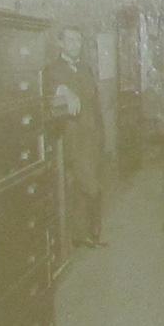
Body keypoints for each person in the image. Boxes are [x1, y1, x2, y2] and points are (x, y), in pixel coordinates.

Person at [46, 25, 108, 248]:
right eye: (70, 40)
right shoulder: (53, 70)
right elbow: (52, 91)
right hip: (73, 140)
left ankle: (86, 235)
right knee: (88, 186)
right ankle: (87, 233)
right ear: (60, 43)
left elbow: (95, 103)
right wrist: (64, 89)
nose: (75, 45)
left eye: (78, 41)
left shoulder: (85, 68)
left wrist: (102, 134)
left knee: (90, 185)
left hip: (92, 137)